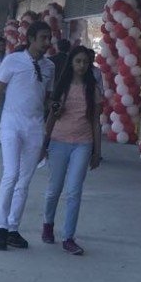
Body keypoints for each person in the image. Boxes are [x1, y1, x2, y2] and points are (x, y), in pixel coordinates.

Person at [0, 20, 54, 251]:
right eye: (42, 37)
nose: (46, 42)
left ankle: (13, 228)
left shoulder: (49, 67)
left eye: (48, 38)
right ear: (31, 38)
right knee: (11, 174)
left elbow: (47, 100)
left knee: (24, 181)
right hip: (11, 124)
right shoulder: (13, 60)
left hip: (35, 128)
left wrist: (49, 132)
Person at [40, 45, 102, 254]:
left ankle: (68, 237)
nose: (82, 65)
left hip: (83, 144)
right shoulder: (62, 87)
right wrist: (44, 143)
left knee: (74, 191)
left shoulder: (93, 89)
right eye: (78, 61)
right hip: (59, 142)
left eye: (85, 62)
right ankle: (48, 224)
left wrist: (97, 151)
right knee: (54, 190)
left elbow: (95, 121)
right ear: (71, 63)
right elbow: (51, 116)